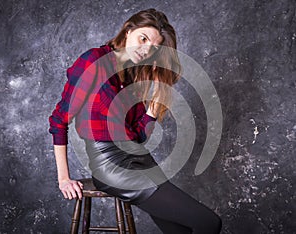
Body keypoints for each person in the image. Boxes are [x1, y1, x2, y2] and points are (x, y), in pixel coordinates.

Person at [49, 8, 222, 234]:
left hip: (141, 160)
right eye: (143, 38)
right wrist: (64, 178)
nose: (145, 49)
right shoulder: (94, 62)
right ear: (129, 30)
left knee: (178, 230)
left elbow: (138, 137)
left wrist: (152, 110)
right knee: (209, 223)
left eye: (154, 48)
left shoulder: (135, 77)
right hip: (110, 165)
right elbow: (59, 120)